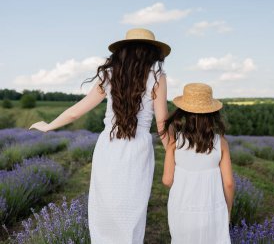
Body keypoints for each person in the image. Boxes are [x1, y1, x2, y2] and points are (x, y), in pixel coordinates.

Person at [29, 28, 171, 243]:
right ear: (151, 52)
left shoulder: (109, 74)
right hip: (139, 148)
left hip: (109, 144)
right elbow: (162, 122)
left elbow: (76, 111)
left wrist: (49, 126)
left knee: (104, 208)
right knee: (133, 208)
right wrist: (173, 155)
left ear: (123, 51)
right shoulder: (157, 77)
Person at [160, 83, 235, 244]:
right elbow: (228, 183)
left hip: (181, 209)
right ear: (212, 113)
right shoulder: (220, 143)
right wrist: (227, 210)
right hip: (212, 210)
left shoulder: (175, 143)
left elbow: (167, 180)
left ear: (184, 112)